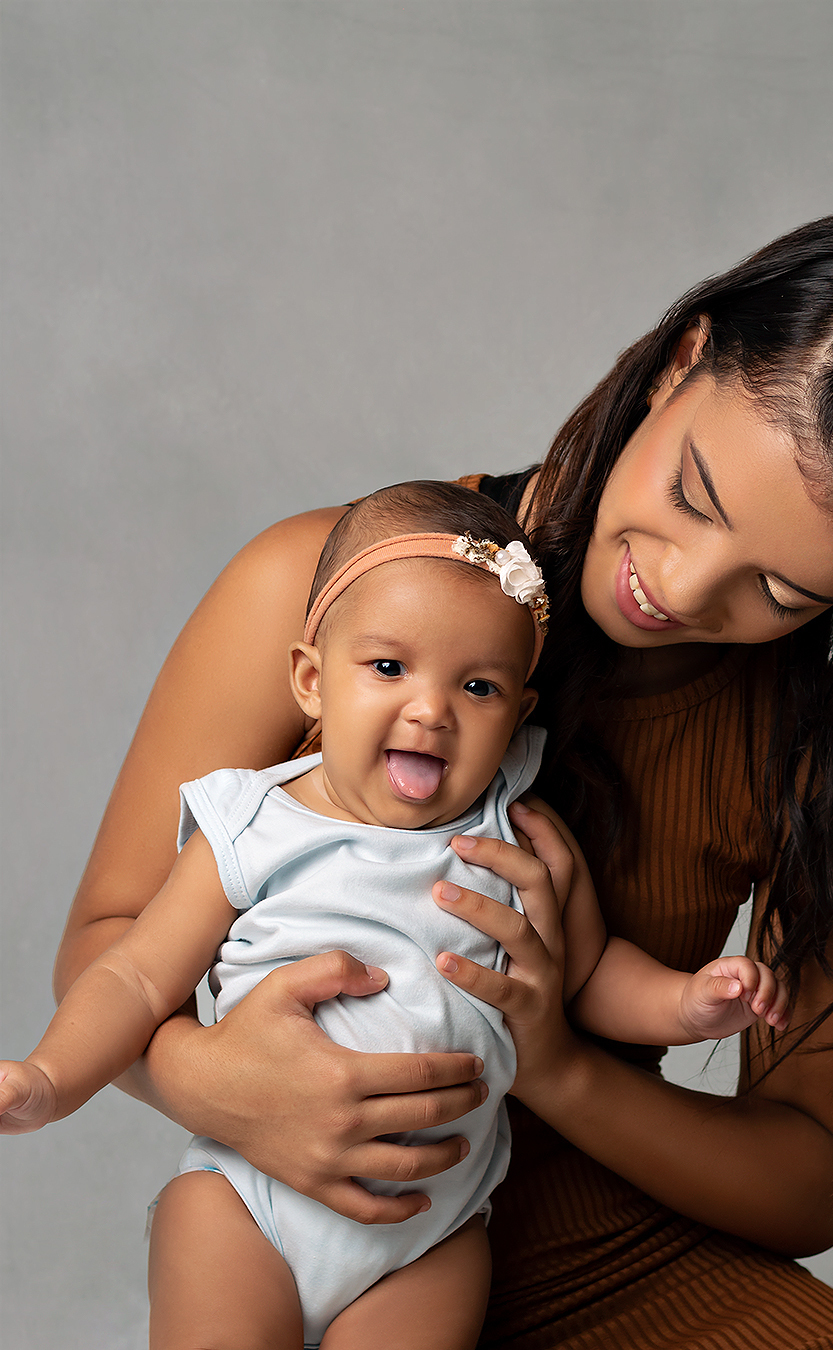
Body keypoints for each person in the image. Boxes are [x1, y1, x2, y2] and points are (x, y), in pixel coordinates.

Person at [44, 213, 833, 1349]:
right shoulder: (328, 588)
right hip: (301, 1232)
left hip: (613, 1268)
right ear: (683, 359)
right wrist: (215, 1083)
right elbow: (109, 940)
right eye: (692, 495)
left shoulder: (821, 746)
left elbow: (808, 1179)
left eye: (783, 592)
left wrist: (560, 1068)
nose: (679, 587)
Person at [0, 481, 788, 1350]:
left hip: (431, 1232)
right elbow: (137, 975)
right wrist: (50, 1080)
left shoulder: (516, 833)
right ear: (310, 679)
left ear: (518, 714)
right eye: (388, 668)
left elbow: (589, 974)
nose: (431, 710)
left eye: (479, 686)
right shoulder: (255, 826)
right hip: (250, 1201)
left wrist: (688, 1001)